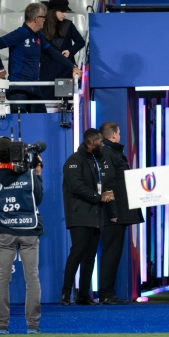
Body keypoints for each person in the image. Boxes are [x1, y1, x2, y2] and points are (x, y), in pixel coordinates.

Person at [0, 137, 43, 334]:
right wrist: (37, 172)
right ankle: (33, 326)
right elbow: (38, 198)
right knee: (32, 277)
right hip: (28, 230)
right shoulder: (28, 174)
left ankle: (2, 326)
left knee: (2, 277)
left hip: (4, 231)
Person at [0, 3, 82, 113]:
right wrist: (0, 68)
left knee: (41, 118)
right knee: (20, 121)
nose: (45, 20)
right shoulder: (19, 34)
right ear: (36, 19)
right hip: (18, 87)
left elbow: (53, 53)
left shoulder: (38, 36)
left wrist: (72, 67)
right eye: (43, 17)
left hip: (35, 86)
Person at [61, 129, 113, 306]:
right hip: (79, 214)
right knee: (77, 252)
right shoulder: (73, 161)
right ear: (91, 143)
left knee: (90, 256)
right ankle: (65, 294)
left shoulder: (95, 160)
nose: (103, 145)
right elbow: (76, 187)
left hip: (95, 214)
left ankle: (83, 295)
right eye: (100, 142)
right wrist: (99, 197)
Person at [98, 122, 145, 304]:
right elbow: (109, 186)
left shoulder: (113, 152)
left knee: (113, 253)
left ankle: (108, 293)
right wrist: (114, 212)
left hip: (118, 212)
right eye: (119, 133)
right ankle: (106, 294)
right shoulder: (108, 153)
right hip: (114, 215)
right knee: (111, 253)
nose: (120, 136)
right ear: (113, 136)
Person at [39, 0, 86, 102]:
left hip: (65, 70)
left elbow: (80, 42)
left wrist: (70, 51)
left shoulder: (68, 25)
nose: (64, 14)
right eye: (62, 11)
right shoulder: (41, 26)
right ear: (53, 11)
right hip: (47, 70)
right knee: (47, 101)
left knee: (65, 103)